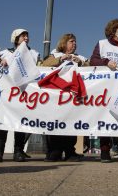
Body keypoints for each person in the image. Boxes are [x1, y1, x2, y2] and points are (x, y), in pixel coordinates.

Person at [90, 18, 118, 163]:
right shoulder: (102, 44)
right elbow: (93, 61)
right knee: (105, 117)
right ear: (113, 30)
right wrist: (106, 62)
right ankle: (104, 150)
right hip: (107, 88)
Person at [0, 28, 40, 162]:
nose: (26, 38)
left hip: (23, 93)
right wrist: (0, 62)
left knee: (20, 122)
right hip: (6, 93)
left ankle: (18, 151)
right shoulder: (5, 52)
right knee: (3, 123)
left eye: (27, 36)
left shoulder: (33, 53)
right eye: (22, 36)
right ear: (15, 38)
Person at [41, 33, 88, 162]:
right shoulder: (54, 56)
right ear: (64, 43)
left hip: (71, 99)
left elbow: (92, 67)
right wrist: (61, 59)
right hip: (56, 99)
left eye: (75, 42)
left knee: (70, 123)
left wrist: (81, 63)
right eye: (71, 41)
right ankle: (54, 151)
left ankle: (69, 152)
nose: (74, 44)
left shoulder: (79, 57)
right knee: (54, 123)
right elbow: (44, 65)